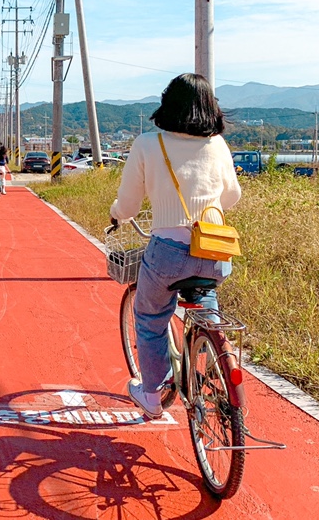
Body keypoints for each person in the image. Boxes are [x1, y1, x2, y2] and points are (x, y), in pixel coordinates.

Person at [109, 73, 241, 419]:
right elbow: (232, 196)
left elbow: (129, 204)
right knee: (205, 296)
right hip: (214, 249)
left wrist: (116, 214)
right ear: (210, 107)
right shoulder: (217, 144)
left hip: (167, 251)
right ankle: (218, 357)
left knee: (151, 317)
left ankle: (153, 395)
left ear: (167, 103)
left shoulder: (148, 143)